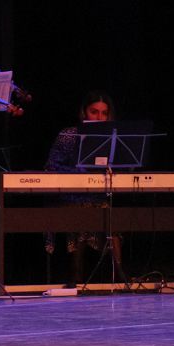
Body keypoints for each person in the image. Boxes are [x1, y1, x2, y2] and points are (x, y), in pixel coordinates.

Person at [44, 90, 120, 286]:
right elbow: (51, 166)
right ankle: (75, 276)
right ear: (84, 112)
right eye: (94, 112)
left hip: (97, 195)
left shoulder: (112, 137)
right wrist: (79, 173)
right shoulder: (69, 135)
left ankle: (119, 274)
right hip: (71, 195)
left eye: (104, 113)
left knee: (112, 216)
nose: (99, 117)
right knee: (83, 211)